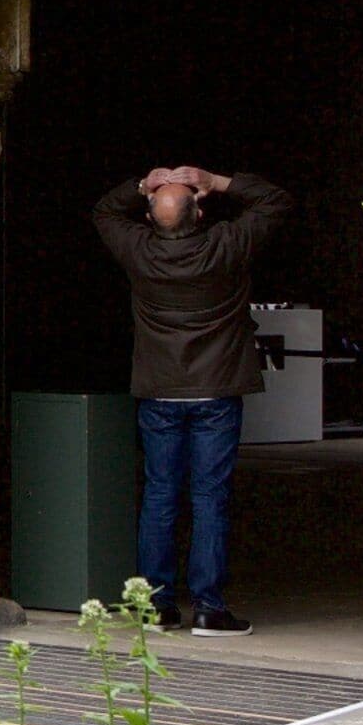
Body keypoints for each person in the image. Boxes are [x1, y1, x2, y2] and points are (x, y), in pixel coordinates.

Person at [91, 164, 293, 636]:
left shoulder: (138, 250)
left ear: (149, 216)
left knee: (160, 496)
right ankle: (209, 607)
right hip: (217, 391)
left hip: (160, 392)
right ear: (200, 212)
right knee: (209, 499)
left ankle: (157, 606)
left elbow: (104, 211)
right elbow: (277, 202)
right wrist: (216, 181)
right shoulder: (226, 244)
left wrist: (143, 184)